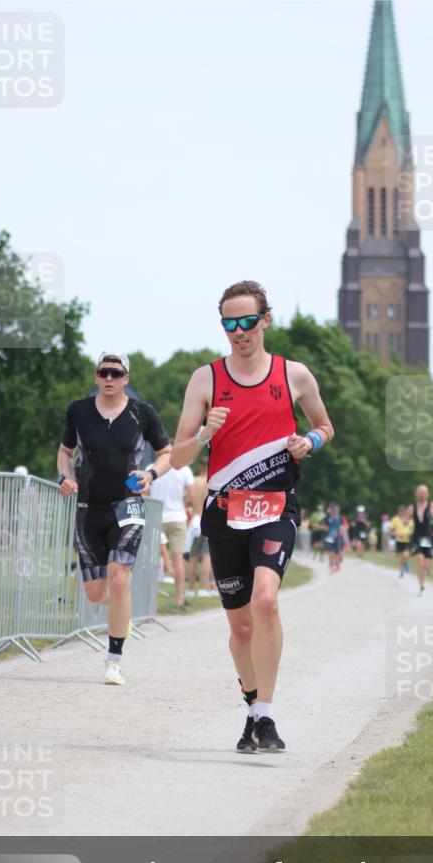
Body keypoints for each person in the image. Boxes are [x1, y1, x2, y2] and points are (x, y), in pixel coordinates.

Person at [170, 280, 333, 753]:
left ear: (266, 320)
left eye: (246, 321)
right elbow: (177, 457)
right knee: (240, 627)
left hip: (276, 506)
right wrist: (203, 433)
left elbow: (325, 425)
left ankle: (267, 713)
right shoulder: (206, 380)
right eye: (229, 324)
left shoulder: (294, 375)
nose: (238, 332)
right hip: (223, 512)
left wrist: (311, 442)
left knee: (266, 603)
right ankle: (252, 712)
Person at [57, 351, 172, 684]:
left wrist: (151, 474)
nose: (109, 378)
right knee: (96, 593)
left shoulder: (143, 413)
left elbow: (166, 453)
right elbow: (65, 453)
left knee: (120, 577)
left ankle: (113, 662)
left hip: (127, 504)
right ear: (96, 376)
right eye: (103, 372)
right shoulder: (78, 411)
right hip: (89, 507)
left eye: (116, 373)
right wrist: (65, 477)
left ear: (126, 378)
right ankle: (122, 608)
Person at [149, 463, 195, 608]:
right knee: (178, 558)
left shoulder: (152, 467)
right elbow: (191, 495)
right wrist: (182, 502)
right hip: (177, 516)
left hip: (157, 515)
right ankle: (179, 597)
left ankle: (150, 599)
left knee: (152, 558)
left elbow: (143, 491)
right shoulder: (184, 469)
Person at [185, 455, 215, 597]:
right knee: (207, 555)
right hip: (207, 520)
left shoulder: (195, 481)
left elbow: (186, 499)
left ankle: (190, 588)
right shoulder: (211, 483)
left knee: (193, 555)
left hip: (195, 520)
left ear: (199, 467)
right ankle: (203, 588)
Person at [406, 484, 433, 595]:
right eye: (420, 492)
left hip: (428, 538)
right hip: (417, 538)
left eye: (424, 492)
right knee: (419, 561)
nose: (422, 494)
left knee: (427, 566)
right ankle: (421, 586)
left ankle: (428, 570)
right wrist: (406, 523)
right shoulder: (412, 507)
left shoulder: (432, 506)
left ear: (428, 494)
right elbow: (406, 519)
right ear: (416, 494)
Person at [323, 502, 347, 573]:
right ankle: (332, 566)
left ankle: (337, 563)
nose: (335, 512)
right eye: (333, 510)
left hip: (338, 537)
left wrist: (341, 532)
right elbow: (325, 526)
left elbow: (343, 527)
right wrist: (325, 528)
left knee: (338, 552)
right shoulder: (327, 518)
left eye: (336, 510)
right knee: (330, 552)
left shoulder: (340, 518)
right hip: (329, 537)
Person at [390, 505, 413, 577]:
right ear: (398, 512)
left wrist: (410, 533)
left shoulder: (409, 519)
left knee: (406, 555)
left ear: (405, 512)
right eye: (400, 511)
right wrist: (395, 534)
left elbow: (412, 528)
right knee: (400, 557)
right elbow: (391, 530)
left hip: (406, 540)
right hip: (398, 541)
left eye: (403, 511)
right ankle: (401, 571)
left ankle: (406, 564)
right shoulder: (395, 519)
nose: (401, 513)